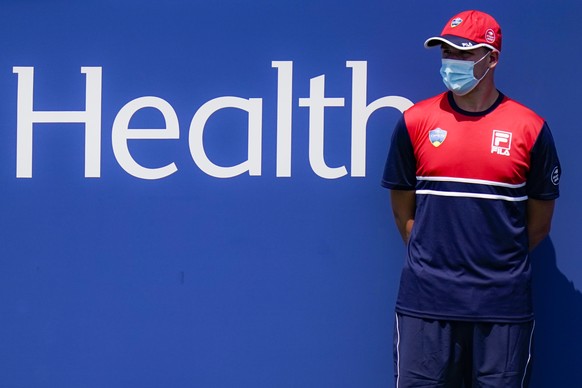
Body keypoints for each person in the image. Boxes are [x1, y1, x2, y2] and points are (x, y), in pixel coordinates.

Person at [381, 10, 561, 388]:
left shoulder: (530, 128)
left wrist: (492, 264)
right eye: (447, 52)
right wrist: (435, 261)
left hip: (501, 306)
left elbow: (539, 225)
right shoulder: (415, 121)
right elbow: (403, 214)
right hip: (425, 303)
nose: (452, 63)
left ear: (491, 58)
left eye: (464, 54)